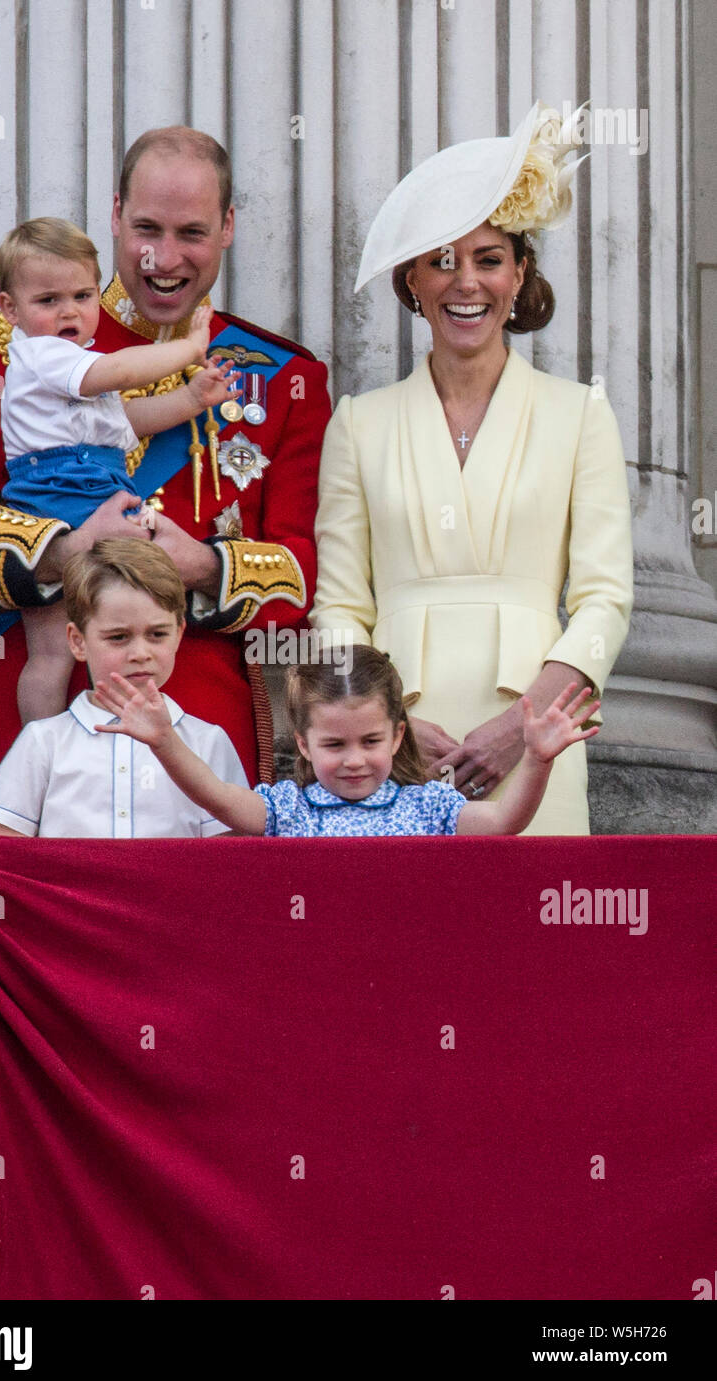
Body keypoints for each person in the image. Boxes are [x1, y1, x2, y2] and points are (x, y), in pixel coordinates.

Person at [0, 126, 331, 790]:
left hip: (198, 730)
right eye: (147, 228)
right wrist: (60, 552)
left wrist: (206, 565)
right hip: (38, 712)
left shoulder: (282, 378)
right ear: (115, 216)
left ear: (228, 228)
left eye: (191, 232)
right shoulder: (22, 347)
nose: (164, 257)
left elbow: (305, 570)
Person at [310, 102, 633, 834]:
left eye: (490, 259)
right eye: (442, 261)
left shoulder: (580, 414)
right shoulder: (359, 423)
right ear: (413, 283)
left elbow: (603, 601)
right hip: (390, 750)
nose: (467, 283)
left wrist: (523, 724)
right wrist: (381, 730)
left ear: (520, 275)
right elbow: (338, 606)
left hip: (538, 739)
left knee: (533, 941)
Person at [0, 216, 239, 723]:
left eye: (83, 297)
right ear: (9, 310)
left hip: (96, 483)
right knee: (54, 653)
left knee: (109, 638)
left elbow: (127, 421)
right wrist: (190, 351)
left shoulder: (76, 363)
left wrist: (192, 397)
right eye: (48, 301)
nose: (70, 312)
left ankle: (112, 744)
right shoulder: (44, 355)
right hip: (54, 501)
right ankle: (39, 753)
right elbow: (124, 373)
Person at [90, 645, 600, 837]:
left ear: (399, 735)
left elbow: (504, 822)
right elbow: (217, 796)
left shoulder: (428, 808)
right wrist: (164, 741)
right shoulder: (288, 810)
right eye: (335, 745)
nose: (355, 761)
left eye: (371, 741)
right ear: (305, 745)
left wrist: (536, 759)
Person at [0, 539, 248, 838]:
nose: (141, 652)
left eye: (157, 634)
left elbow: (229, 858)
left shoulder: (208, 742)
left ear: (179, 633)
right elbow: (5, 849)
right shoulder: (44, 742)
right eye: (118, 637)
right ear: (78, 641)